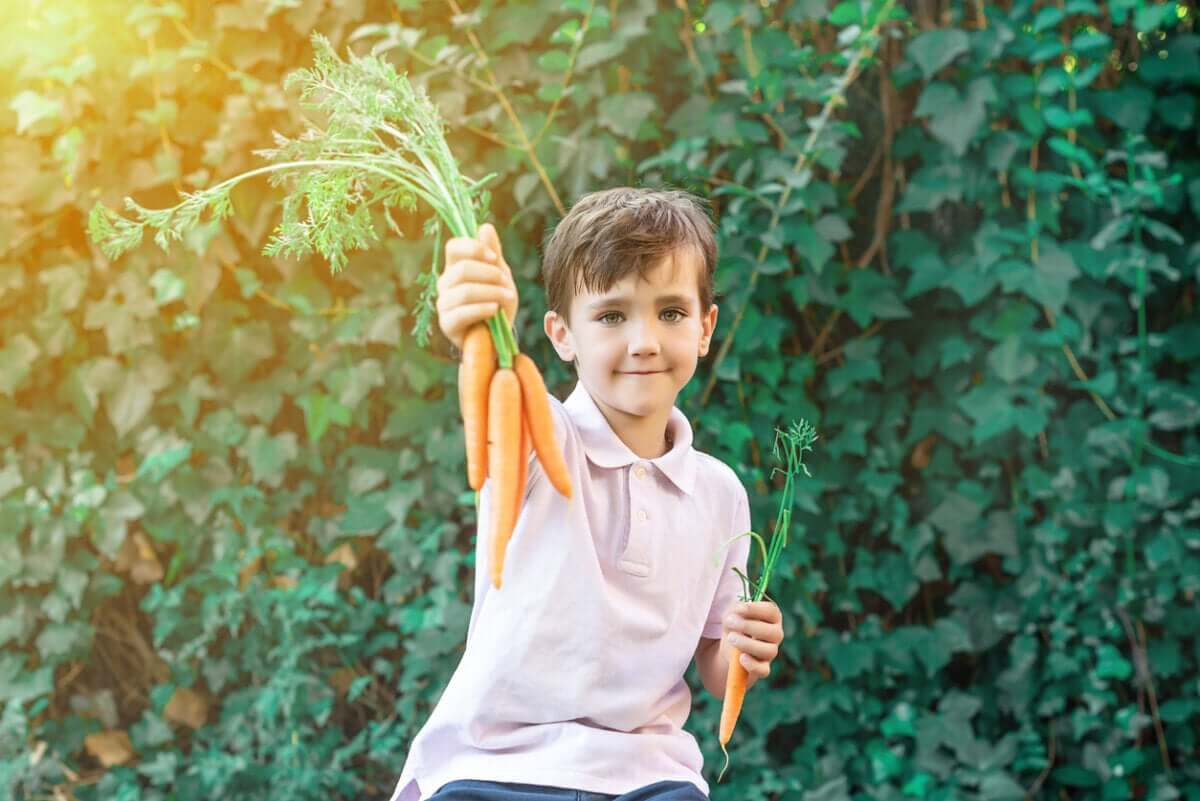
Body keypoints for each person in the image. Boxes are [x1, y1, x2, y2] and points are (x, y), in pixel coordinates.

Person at [386, 187, 785, 801]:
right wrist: (475, 327)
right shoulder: (540, 438)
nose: (645, 340)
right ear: (561, 334)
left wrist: (741, 650)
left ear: (705, 327)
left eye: (671, 313)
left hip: (649, 775)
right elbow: (494, 375)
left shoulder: (720, 492)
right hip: (497, 766)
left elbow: (714, 661)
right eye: (611, 316)